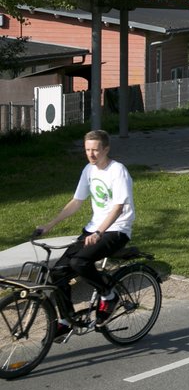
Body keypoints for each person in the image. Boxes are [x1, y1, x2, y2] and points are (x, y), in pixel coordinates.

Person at [35, 130, 135, 337]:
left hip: (116, 230)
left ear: (106, 149)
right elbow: (76, 202)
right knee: (58, 273)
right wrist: (50, 224)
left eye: (95, 150)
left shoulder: (118, 171)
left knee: (79, 263)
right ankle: (65, 319)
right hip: (93, 229)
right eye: (87, 150)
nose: (91, 154)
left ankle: (108, 295)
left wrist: (99, 231)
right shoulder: (89, 170)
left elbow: (117, 208)